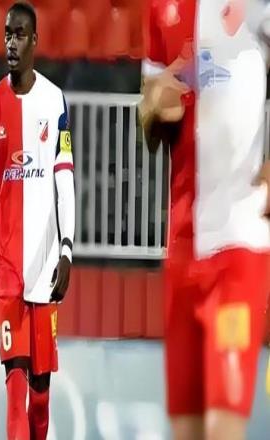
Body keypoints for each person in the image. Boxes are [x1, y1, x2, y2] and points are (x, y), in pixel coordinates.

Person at [140, 1, 270, 439]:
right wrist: (155, 107)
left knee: (223, 430)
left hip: (238, 243)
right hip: (181, 250)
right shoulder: (159, 8)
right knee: (186, 432)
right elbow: (148, 119)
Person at [0, 2, 75, 439]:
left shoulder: (53, 100)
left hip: (45, 265)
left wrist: (67, 250)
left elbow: (65, 181)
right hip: (6, 267)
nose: (11, 42)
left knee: (40, 394)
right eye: (7, 33)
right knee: (15, 383)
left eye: (20, 34)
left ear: (35, 41)